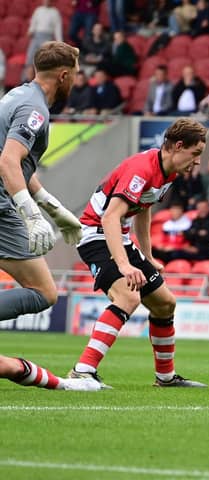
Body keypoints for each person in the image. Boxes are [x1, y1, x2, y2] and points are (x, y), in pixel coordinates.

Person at [68, 118, 208, 389]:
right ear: (178, 146)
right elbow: (110, 218)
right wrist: (124, 265)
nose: (198, 161)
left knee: (165, 303)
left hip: (119, 236)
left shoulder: (168, 172)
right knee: (127, 296)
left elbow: (143, 208)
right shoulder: (141, 169)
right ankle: (82, 371)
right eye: (195, 154)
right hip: (96, 235)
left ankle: (165, 378)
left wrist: (147, 256)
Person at [0, 41, 100, 391]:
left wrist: (54, 209)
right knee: (43, 291)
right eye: (74, 75)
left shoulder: (16, 96)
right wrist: (28, 212)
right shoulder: (35, 110)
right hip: (0, 207)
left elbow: (21, 164)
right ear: (63, 75)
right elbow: (8, 162)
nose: (76, 81)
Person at [25, 1, 63, 81]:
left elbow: (57, 28)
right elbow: (33, 22)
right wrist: (31, 30)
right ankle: (27, 80)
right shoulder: (38, 10)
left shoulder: (55, 12)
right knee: (30, 58)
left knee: (44, 59)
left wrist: (60, 41)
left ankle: (42, 80)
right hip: (36, 36)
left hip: (47, 37)